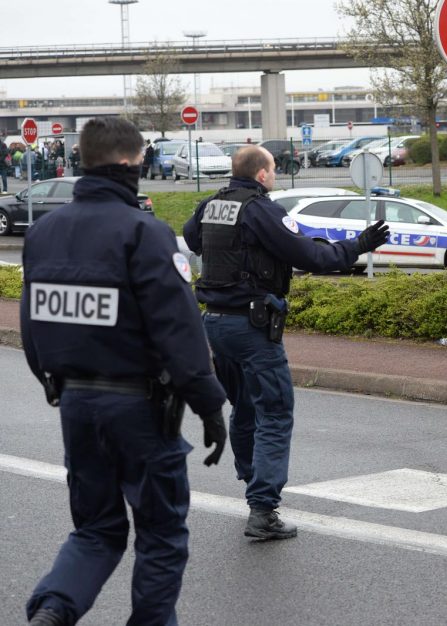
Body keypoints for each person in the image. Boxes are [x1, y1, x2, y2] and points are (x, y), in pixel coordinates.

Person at [20, 117, 228, 626]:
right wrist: (209, 405)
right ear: (133, 165)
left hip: (75, 404)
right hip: (140, 410)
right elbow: (179, 332)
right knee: (160, 534)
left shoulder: (44, 232)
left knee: (95, 529)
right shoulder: (145, 233)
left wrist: (58, 386)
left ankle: (53, 610)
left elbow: (32, 326)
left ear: (83, 162)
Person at [183, 145, 389, 540]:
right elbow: (311, 257)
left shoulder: (212, 203)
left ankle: (252, 484)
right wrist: (358, 246)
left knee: (244, 407)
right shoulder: (260, 209)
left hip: (214, 324)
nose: (274, 174)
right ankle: (263, 511)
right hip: (251, 326)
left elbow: (195, 240)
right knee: (275, 412)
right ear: (262, 174)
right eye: (273, 169)